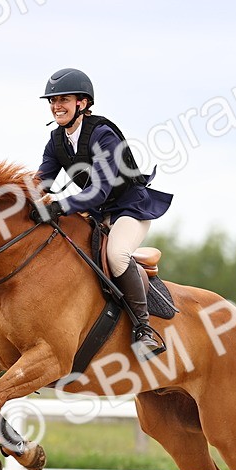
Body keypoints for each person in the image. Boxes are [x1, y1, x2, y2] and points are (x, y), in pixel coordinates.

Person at [31, 67, 172, 359]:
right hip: (95, 211)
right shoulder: (56, 141)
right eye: (53, 101)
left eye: (63, 100)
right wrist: (18, 200)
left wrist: (58, 206)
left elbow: (99, 191)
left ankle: (144, 329)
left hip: (128, 208)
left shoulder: (103, 135)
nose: (56, 106)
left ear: (82, 103)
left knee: (116, 254)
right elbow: (41, 183)